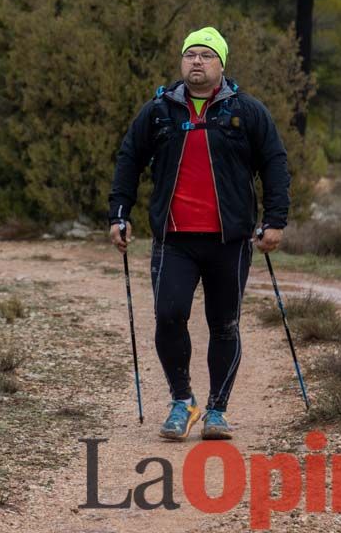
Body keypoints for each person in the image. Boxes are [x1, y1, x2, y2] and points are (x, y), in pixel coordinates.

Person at [107, 26, 290, 442]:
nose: (197, 62)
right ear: (181, 63)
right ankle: (182, 401)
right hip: (174, 238)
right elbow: (129, 159)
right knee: (169, 315)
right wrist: (118, 214)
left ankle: (217, 411)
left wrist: (275, 220)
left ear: (221, 64)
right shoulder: (158, 111)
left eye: (206, 55)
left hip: (230, 240)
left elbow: (274, 163)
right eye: (190, 55)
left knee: (224, 324)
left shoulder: (247, 111)